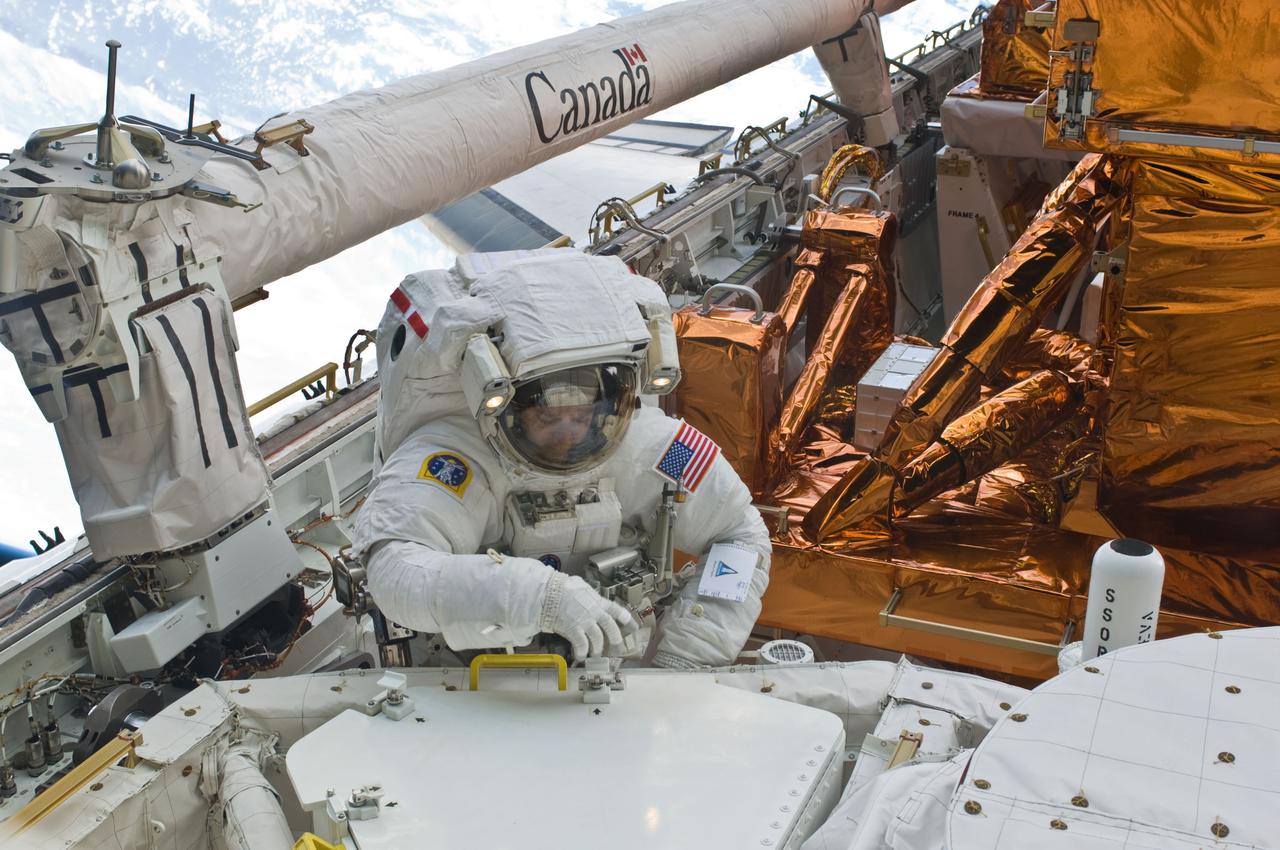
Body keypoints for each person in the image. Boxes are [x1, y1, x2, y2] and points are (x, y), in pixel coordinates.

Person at [351, 251, 770, 668]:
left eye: (582, 416)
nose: (568, 432)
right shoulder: (454, 458)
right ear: (506, 407)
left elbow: (739, 533)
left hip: (617, 670)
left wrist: (686, 656)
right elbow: (396, 571)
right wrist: (540, 598)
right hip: (473, 676)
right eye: (548, 418)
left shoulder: (654, 446)